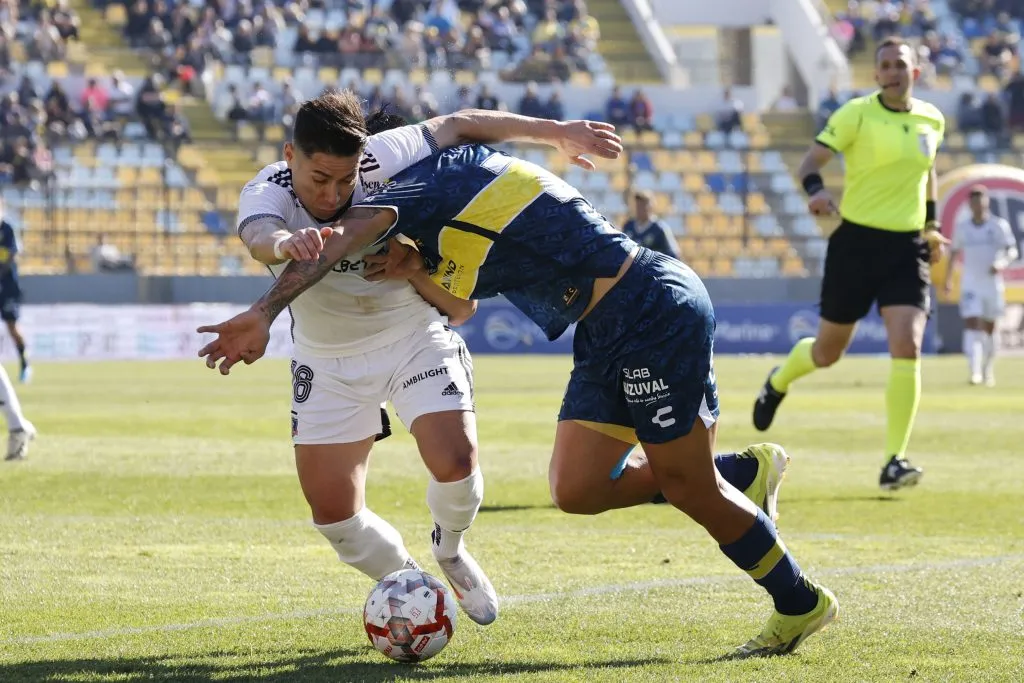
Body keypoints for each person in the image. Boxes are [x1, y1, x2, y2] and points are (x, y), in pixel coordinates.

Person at [198, 142, 839, 657]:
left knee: (689, 486)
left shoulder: (421, 183)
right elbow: (462, 303)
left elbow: (342, 238)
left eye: (358, 178)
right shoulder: (439, 208)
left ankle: (798, 600)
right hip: (603, 326)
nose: (349, 194)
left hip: (648, 304)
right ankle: (743, 472)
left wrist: (262, 314)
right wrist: (416, 269)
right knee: (577, 489)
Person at [216, 90, 626, 627]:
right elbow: (258, 236)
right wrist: (287, 243)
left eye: (346, 181)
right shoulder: (264, 190)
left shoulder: (381, 154)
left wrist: (553, 131)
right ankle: (413, 582)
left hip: (412, 333)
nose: (335, 193)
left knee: (456, 463)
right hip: (327, 359)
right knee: (335, 518)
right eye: (320, 180)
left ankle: (450, 550)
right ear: (291, 155)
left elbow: (460, 123)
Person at [751, 37, 948, 492]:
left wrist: (932, 225)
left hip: (906, 248)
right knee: (827, 352)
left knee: (908, 344)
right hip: (855, 244)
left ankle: (893, 461)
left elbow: (929, 171)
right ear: (876, 74)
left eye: (901, 64)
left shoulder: (932, 118)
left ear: (915, 71)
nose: (893, 71)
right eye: (885, 65)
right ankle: (779, 381)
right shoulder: (855, 114)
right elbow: (810, 162)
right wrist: (817, 191)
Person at [943, 185, 1019, 386]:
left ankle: (988, 369)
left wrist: (1001, 263)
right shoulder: (963, 228)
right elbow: (953, 253)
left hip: (992, 284)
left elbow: (1012, 250)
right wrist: (949, 279)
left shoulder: (998, 226)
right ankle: (974, 371)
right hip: (970, 284)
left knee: (989, 328)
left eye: (980, 200)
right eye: (973, 201)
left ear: (986, 202)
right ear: (969, 204)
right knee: (971, 323)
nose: (977, 205)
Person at [0, 198, 31, 383]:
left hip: (8, 286)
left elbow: (10, 255)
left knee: (12, 326)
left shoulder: (7, 229)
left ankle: (24, 363)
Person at [620, 189, 680, 259]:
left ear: (650, 207)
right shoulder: (628, 226)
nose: (640, 209)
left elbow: (673, 254)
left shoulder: (659, 228)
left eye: (643, 206)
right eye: (638, 206)